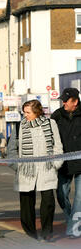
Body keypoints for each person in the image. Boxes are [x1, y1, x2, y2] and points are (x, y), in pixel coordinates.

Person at [7, 99, 63, 241]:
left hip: (47, 168)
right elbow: (11, 149)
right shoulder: (19, 127)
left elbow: (57, 145)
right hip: (26, 170)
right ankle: (31, 233)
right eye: (24, 112)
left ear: (37, 112)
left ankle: (46, 232)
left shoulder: (51, 124)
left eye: (28, 112)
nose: (25, 115)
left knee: (48, 202)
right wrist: (17, 166)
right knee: (26, 203)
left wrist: (56, 163)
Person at [51, 87, 81, 238]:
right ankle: (71, 219)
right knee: (61, 195)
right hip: (63, 163)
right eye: (62, 100)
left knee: (79, 197)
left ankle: (74, 228)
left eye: (66, 100)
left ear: (75, 101)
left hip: (80, 163)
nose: (63, 103)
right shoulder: (57, 115)